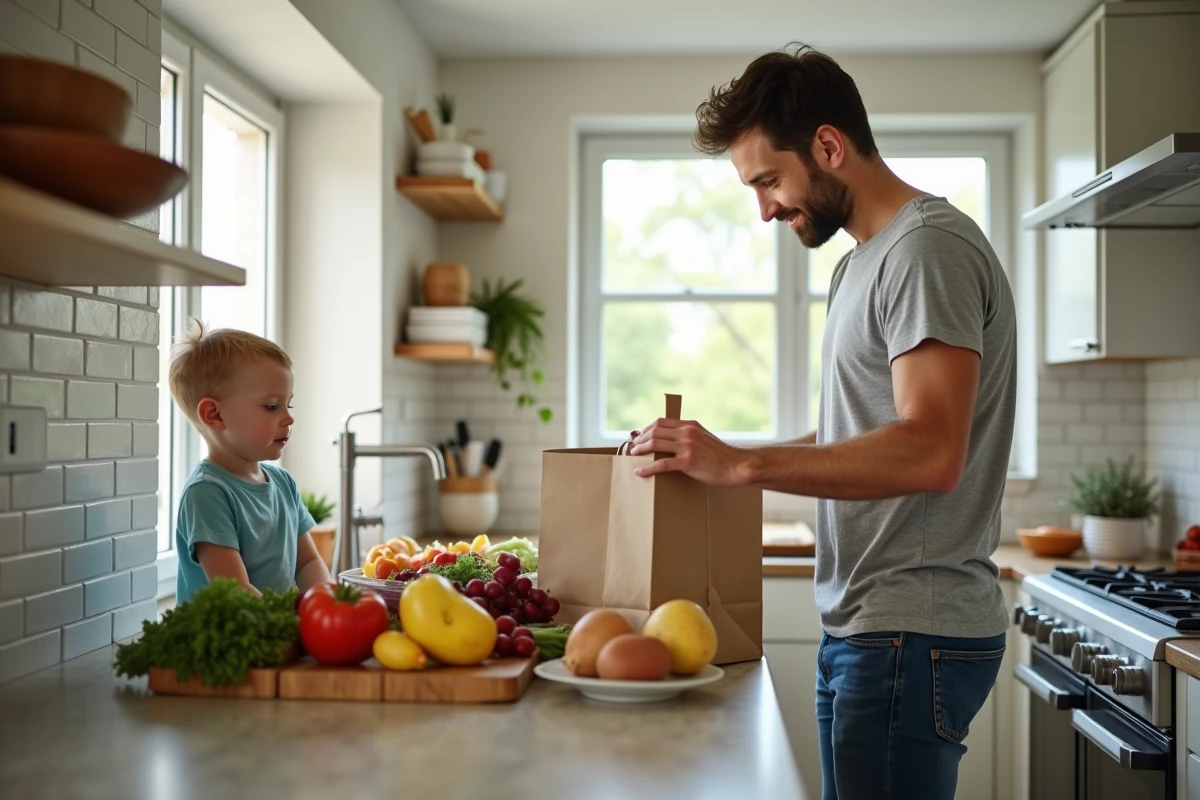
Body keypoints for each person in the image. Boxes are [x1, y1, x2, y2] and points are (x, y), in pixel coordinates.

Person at [627, 43, 1016, 800]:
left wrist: (743, 466)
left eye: (769, 180)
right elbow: (856, 432)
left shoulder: (926, 249)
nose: (765, 209)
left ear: (829, 146)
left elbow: (932, 451)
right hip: (867, 627)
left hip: (911, 627)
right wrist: (723, 457)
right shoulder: (862, 262)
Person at [167, 320, 332, 603]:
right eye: (272, 406)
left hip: (276, 625)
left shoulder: (283, 483)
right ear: (214, 415)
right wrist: (290, 621)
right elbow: (237, 592)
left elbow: (307, 563)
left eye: (288, 404)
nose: (288, 418)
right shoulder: (207, 493)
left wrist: (326, 603)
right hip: (234, 631)